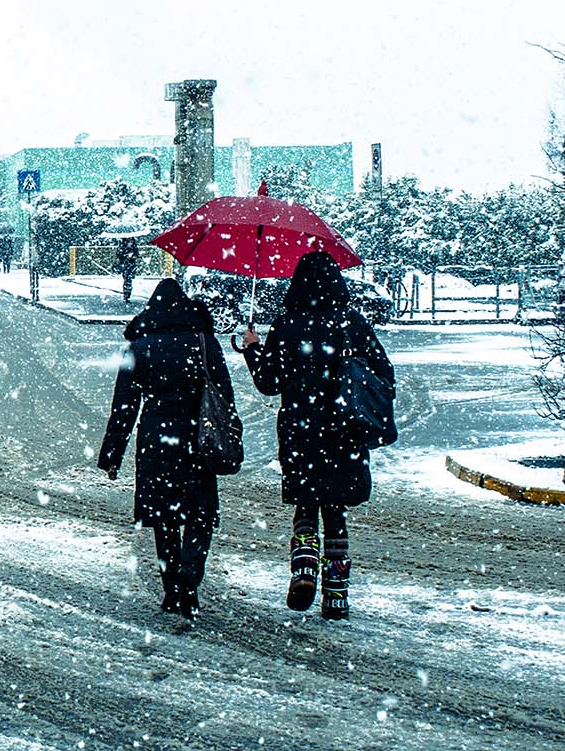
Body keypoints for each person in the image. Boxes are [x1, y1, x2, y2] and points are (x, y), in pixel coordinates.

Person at [240, 251, 394, 621]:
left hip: (300, 431)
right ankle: (337, 595)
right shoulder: (353, 324)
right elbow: (384, 374)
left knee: (306, 505)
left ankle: (304, 566)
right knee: (335, 510)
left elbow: (268, 382)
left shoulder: (287, 325)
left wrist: (251, 348)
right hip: (345, 430)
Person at [98, 278, 237, 620]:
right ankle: (190, 577)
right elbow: (224, 396)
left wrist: (112, 455)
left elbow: (124, 407)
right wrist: (229, 435)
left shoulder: (140, 347)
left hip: (156, 438)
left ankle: (172, 587)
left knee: (165, 517)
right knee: (200, 514)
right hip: (197, 438)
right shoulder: (204, 342)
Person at [113, 236, 140, 306]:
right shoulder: (122, 244)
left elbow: (137, 254)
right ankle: (127, 295)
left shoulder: (133, 245)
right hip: (125, 265)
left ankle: (127, 294)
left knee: (128, 279)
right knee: (127, 279)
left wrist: (132, 256)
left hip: (131, 265)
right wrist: (126, 256)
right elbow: (119, 255)